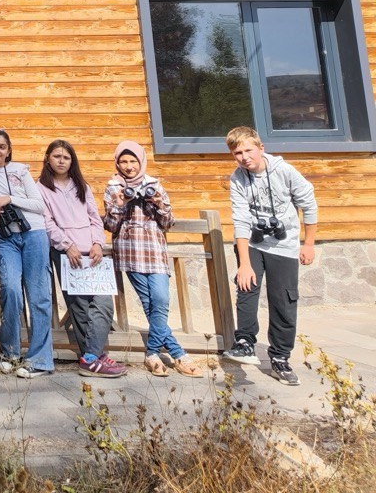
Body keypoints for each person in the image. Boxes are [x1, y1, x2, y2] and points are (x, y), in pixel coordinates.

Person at [222, 126, 318, 386]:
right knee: (246, 286)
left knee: (283, 300)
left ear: (261, 147)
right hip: (253, 243)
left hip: (285, 246)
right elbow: (240, 220)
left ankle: (280, 358)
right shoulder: (237, 178)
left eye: (248, 150)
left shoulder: (284, 172)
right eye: (237, 152)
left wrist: (308, 244)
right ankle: (244, 343)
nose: (244, 157)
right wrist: (244, 264)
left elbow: (309, 204)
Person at [103, 140, 203, 378]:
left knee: (159, 300)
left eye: (133, 161)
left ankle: (154, 354)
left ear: (141, 161)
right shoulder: (113, 187)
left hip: (155, 252)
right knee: (152, 304)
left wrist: (158, 203)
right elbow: (110, 226)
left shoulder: (154, 185)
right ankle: (179, 356)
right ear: (117, 163)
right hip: (130, 252)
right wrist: (118, 205)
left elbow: (168, 223)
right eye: (123, 162)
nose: (128, 166)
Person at [36, 139, 126, 379]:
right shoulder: (41, 188)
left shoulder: (81, 186)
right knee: (79, 306)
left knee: (103, 302)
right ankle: (94, 357)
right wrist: (67, 246)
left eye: (66, 157)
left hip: (92, 252)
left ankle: (91, 357)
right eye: (57, 156)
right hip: (66, 253)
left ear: (72, 161)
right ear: (48, 159)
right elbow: (47, 223)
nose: (62, 161)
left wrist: (98, 242)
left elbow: (95, 218)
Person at [0, 128, 54, 378]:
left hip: (33, 234)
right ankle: (9, 352)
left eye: (2, 146)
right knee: (11, 289)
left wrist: (10, 199)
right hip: (2, 237)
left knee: (39, 294)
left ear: (8, 150)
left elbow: (39, 205)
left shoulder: (20, 170)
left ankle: (40, 359)